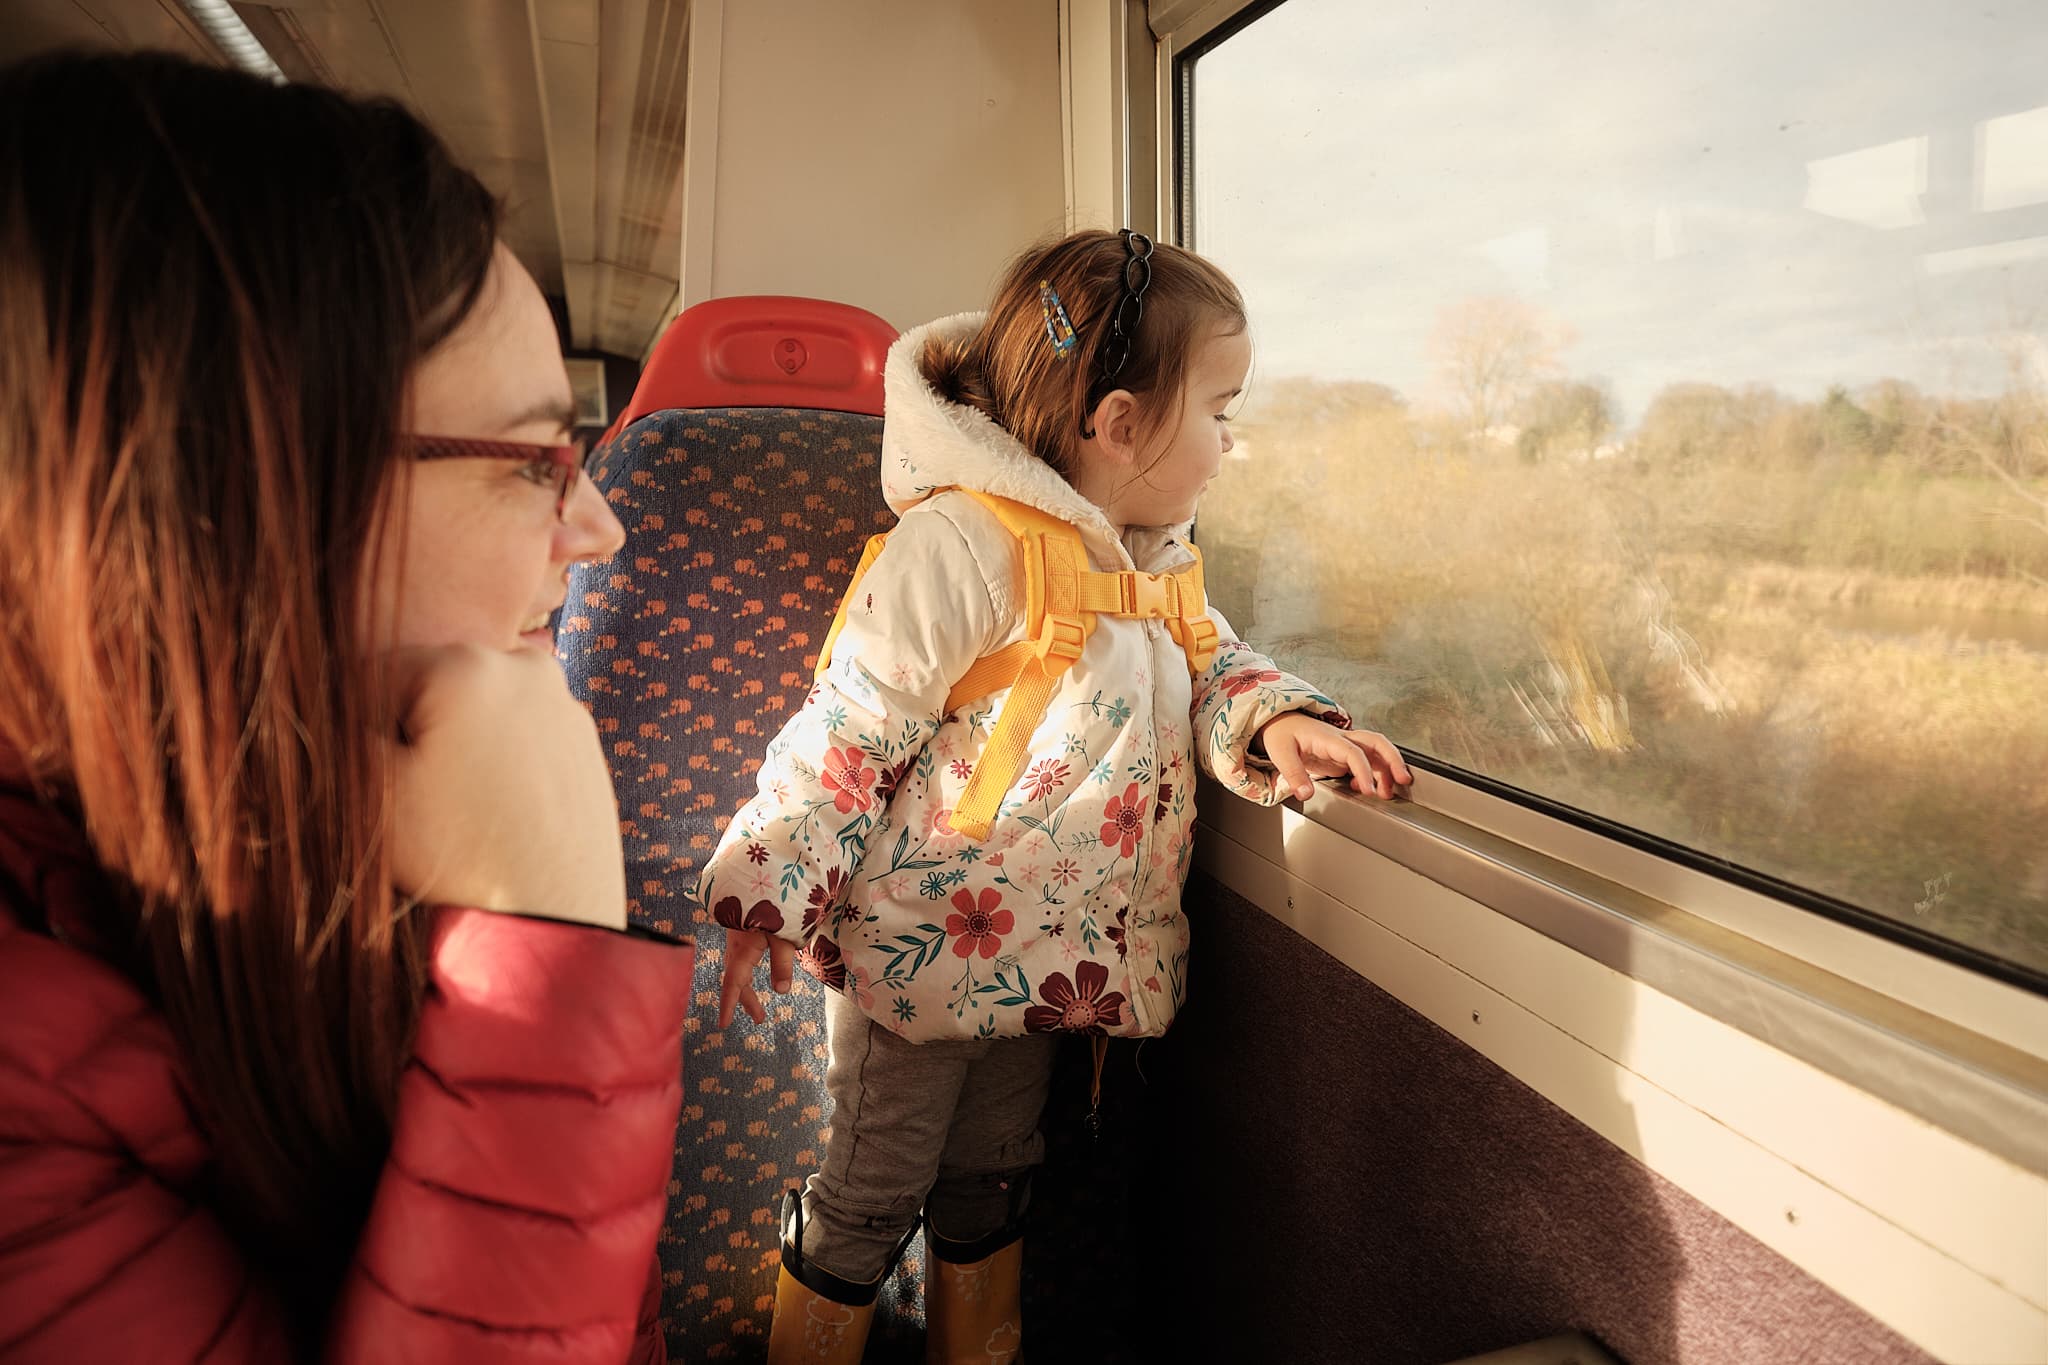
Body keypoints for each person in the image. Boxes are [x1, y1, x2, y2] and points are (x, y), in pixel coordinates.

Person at [0, 51, 688, 1363]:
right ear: (232, 496)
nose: (594, 530)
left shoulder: (329, 803)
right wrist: (542, 975)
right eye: (539, 462)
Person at [700, 227, 1413, 1361]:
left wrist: (1278, 718)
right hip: (918, 951)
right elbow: (848, 729)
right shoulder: (960, 547)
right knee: (873, 1189)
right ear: (1120, 422)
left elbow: (1209, 658)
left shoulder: (1154, 556)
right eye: (1219, 410)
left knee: (992, 1183)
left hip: (1049, 959)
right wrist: (768, 887)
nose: (1231, 443)